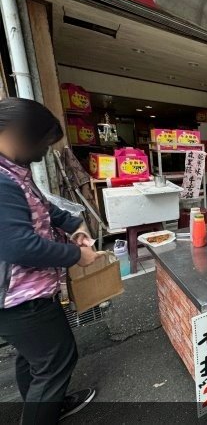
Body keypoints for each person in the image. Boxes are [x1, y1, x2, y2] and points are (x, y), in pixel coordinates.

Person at [0, 98, 98, 424]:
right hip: (18, 298)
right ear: (18, 135)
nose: (44, 152)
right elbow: (19, 246)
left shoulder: (14, 171)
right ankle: (43, 408)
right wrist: (76, 254)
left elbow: (46, 210)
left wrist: (75, 226)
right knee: (57, 360)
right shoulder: (2, 180)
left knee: (36, 359)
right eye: (42, 143)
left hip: (27, 292)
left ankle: (45, 406)